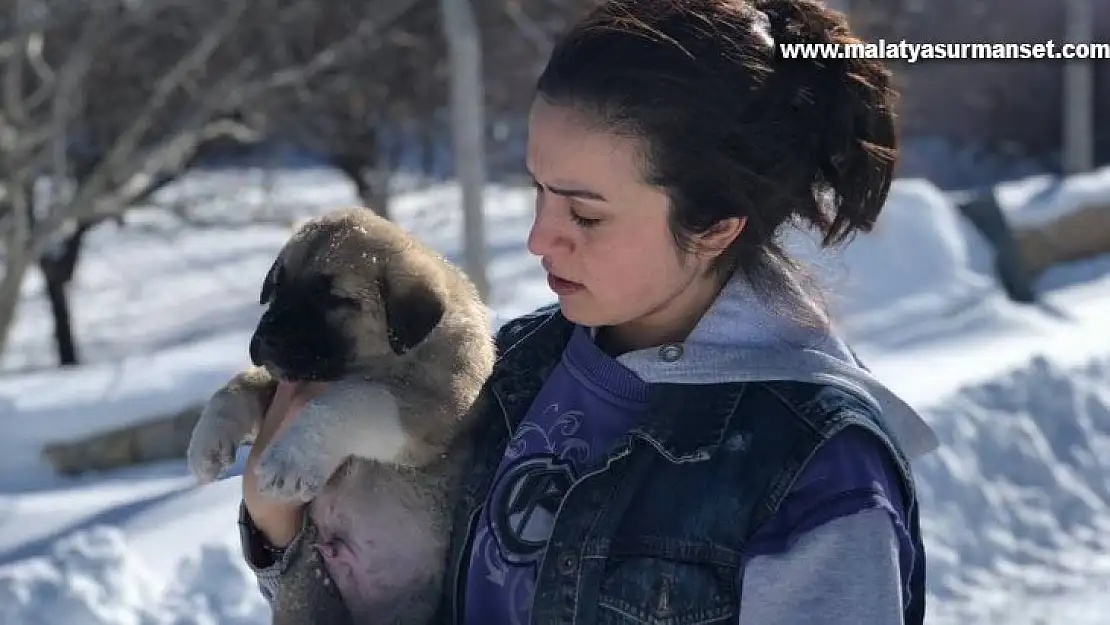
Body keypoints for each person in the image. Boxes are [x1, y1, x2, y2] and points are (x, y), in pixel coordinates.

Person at [236, 0, 940, 623]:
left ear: (716, 225)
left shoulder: (815, 472)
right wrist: (280, 532)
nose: (540, 237)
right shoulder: (510, 371)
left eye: (585, 213)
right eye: (538, 192)